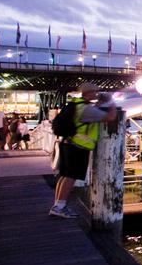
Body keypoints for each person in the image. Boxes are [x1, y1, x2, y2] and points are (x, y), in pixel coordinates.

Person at [50, 83, 117, 218]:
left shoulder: (77, 105)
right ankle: (59, 207)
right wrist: (112, 103)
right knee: (71, 177)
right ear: (89, 93)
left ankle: (58, 204)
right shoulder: (86, 109)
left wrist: (98, 103)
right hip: (78, 146)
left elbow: (92, 113)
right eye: (95, 92)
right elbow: (110, 117)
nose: (96, 94)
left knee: (64, 175)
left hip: (68, 143)